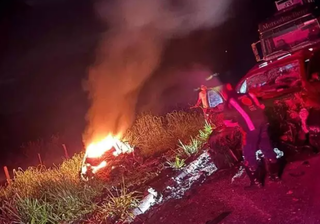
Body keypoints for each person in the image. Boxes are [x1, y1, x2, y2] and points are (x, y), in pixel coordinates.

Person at [220, 84, 282, 189]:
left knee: (249, 152)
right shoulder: (249, 94)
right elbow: (261, 107)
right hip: (263, 123)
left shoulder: (230, 102)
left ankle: (257, 182)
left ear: (224, 94)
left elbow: (227, 122)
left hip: (250, 129)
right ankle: (275, 176)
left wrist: (237, 123)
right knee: (266, 147)